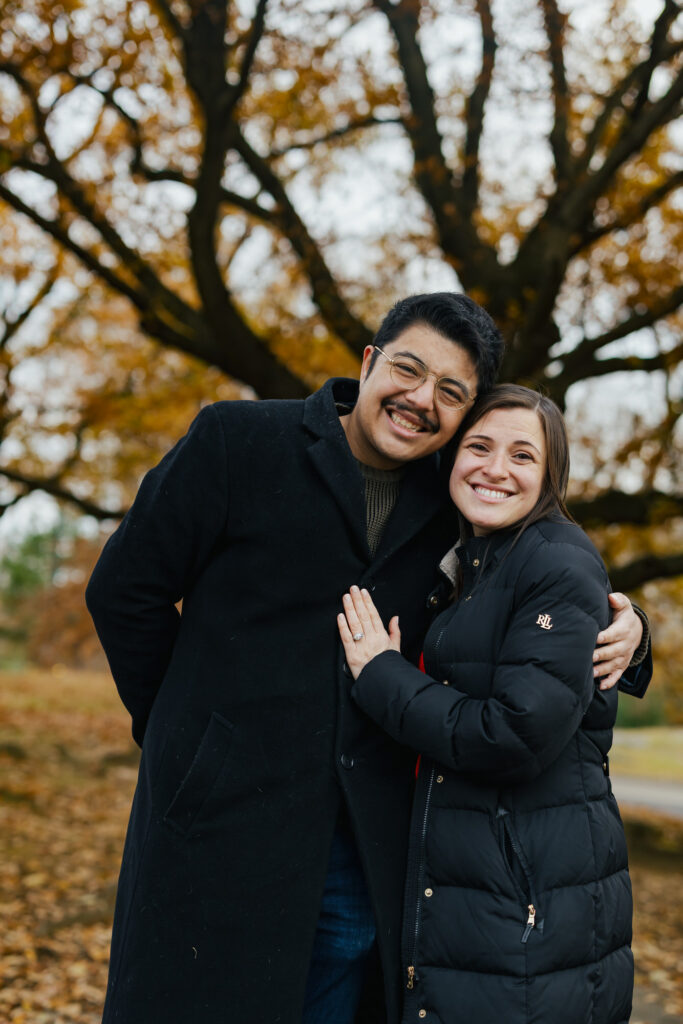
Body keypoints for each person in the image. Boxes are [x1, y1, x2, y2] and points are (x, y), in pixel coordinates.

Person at [85, 294, 648, 1024]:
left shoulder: (454, 491)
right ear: (369, 362)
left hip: (363, 842)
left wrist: (632, 628)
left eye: (451, 393)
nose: (420, 401)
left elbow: (543, 581)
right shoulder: (238, 442)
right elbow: (124, 593)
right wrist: (182, 736)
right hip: (217, 824)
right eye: (408, 371)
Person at [338, 384, 642, 1024]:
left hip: (528, 912)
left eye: (523, 456)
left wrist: (380, 674)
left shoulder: (555, 558)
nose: (496, 469)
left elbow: (514, 734)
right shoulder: (471, 562)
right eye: (479, 445)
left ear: (551, 476)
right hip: (483, 901)